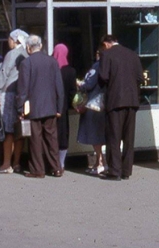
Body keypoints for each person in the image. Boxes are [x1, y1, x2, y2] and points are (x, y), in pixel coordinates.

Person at [17, 35, 65, 178]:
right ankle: (56, 167)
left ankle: (38, 169)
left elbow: (23, 89)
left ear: (28, 48)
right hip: (50, 106)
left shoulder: (26, 63)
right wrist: (59, 107)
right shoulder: (52, 61)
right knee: (52, 138)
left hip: (34, 107)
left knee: (35, 139)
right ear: (41, 46)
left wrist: (20, 108)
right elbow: (59, 87)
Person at [98, 34, 143, 181]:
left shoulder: (106, 54)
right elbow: (140, 78)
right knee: (129, 138)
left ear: (106, 44)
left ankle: (114, 171)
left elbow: (103, 77)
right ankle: (126, 170)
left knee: (114, 136)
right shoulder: (132, 54)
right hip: (132, 101)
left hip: (115, 101)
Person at [0, 29, 29, 174]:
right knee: (19, 130)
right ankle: (17, 162)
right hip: (23, 94)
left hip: (8, 94)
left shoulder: (11, 54)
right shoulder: (27, 54)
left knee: (8, 131)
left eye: (9, 39)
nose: (8, 42)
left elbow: (3, 74)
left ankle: (6, 163)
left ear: (15, 40)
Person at [77, 48, 107, 175]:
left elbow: (89, 84)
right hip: (103, 103)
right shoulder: (108, 67)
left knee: (95, 135)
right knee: (100, 134)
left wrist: (79, 83)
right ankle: (100, 162)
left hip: (93, 104)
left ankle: (100, 162)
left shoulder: (97, 66)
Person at [52, 43, 77, 171]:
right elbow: (73, 91)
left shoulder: (50, 68)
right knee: (63, 134)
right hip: (63, 107)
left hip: (49, 106)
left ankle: (52, 162)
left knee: (51, 134)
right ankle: (61, 163)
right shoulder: (70, 71)